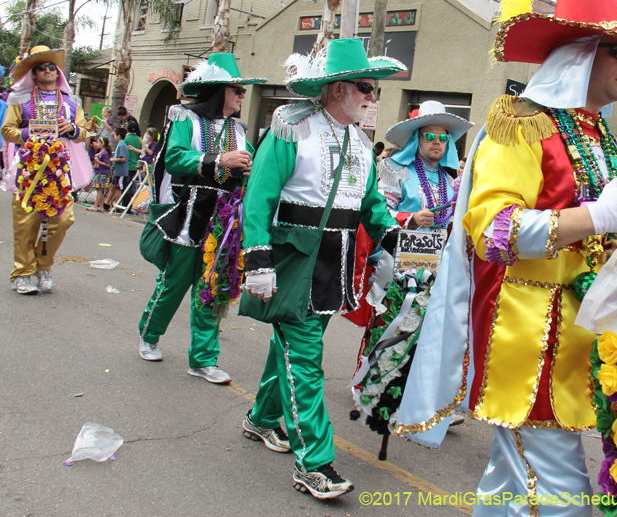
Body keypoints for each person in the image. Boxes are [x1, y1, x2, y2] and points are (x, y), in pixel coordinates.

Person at [393, 0, 617, 516]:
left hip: (584, 333)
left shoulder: (603, 140)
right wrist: (596, 214)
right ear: (582, 54)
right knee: (562, 497)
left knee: (512, 485)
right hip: (530, 340)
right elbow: (494, 232)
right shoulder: (519, 126)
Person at [239, 37, 403, 499]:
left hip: (335, 263)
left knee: (290, 348)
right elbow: (260, 197)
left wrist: (395, 239)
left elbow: (370, 202)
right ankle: (314, 462)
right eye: (365, 87)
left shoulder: (358, 141)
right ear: (336, 89)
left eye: (373, 89)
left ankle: (261, 418)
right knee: (306, 359)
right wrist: (258, 259)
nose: (372, 96)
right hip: (292, 258)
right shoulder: (292, 130)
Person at [137, 53, 265, 384]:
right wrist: (219, 158)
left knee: (213, 289)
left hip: (223, 223)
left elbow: (247, 167)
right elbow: (175, 157)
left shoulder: (239, 130)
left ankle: (203, 359)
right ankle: (150, 335)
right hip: (189, 216)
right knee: (175, 282)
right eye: (237, 89)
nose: (242, 96)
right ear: (219, 90)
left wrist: (248, 168)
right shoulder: (185, 119)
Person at [349, 100, 473, 435]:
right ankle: (369, 388)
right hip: (399, 260)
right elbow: (379, 212)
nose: (437, 142)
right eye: (430, 136)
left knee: (430, 333)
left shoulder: (452, 179)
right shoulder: (394, 170)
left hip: (440, 264)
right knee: (392, 324)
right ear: (417, 139)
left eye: (444, 138)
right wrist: (409, 218)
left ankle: (414, 399)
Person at [1, 46, 87, 294]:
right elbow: (8, 130)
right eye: (42, 67)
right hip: (28, 168)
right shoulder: (20, 99)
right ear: (34, 73)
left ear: (58, 72)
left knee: (61, 219)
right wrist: (31, 132)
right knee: (26, 221)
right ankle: (23, 272)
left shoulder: (72, 101)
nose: (48, 70)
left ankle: (43, 265)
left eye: (52, 66)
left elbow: (82, 133)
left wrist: (70, 128)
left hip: (60, 171)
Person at [88, 136, 111, 212]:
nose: (97, 144)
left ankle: (95, 206)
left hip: (103, 173)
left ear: (102, 144)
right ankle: (101, 207)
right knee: (99, 190)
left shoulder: (105, 153)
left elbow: (107, 164)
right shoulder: (101, 153)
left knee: (100, 190)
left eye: (98, 143)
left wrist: (98, 161)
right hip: (99, 171)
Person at [108, 127, 129, 209]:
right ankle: (107, 203)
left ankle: (117, 205)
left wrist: (111, 159)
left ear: (118, 135)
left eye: (115, 135)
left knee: (118, 188)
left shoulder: (122, 145)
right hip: (117, 170)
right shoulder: (120, 143)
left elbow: (122, 158)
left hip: (120, 171)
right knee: (112, 186)